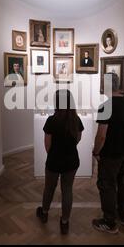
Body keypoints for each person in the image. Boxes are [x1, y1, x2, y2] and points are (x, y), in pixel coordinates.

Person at [36, 90, 84, 235]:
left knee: (49, 188)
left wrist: (54, 155)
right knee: (67, 190)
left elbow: (47, 144)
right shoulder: (76, 120)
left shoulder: (51, 120)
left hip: (54, 160)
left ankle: (44, 213)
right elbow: (78, 139)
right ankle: (64, 222)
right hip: (71, 160)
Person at [92, 73, 124, 234]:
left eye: (103, 83)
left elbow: (101, 135)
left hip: (110, 154)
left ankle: (109, 222)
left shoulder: (105, 106)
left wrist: (96, 152)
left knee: (107, 184)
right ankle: (123, 215)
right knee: (123, 181)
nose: (102, 86)